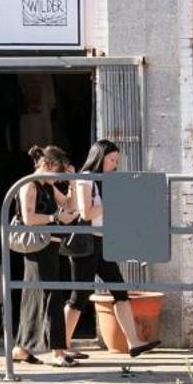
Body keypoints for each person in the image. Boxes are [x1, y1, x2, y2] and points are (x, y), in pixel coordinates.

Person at [62, 139, 157, 357]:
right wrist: (114, 200)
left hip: (103, 242)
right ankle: (62, 346)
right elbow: (86, 214)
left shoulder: (108, 181)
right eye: (111, 160)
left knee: (120, 292)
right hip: (86, 243)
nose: (115, 165)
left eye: (116, 160)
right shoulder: (86, 179)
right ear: (100, 158)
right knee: (79, 296)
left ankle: (133, 342)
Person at [11, 144, 76, 368]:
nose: (57, 179)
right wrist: (53, 218)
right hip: (37, 247)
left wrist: (73, 181)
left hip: (49, 246)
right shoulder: (29, 185)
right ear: (46, 165)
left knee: (36, 297)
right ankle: (57, 351)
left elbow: (69, 204)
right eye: (56, 173)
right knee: (50, 296)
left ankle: (22, 348)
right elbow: (29, 219)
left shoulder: (48, 186)